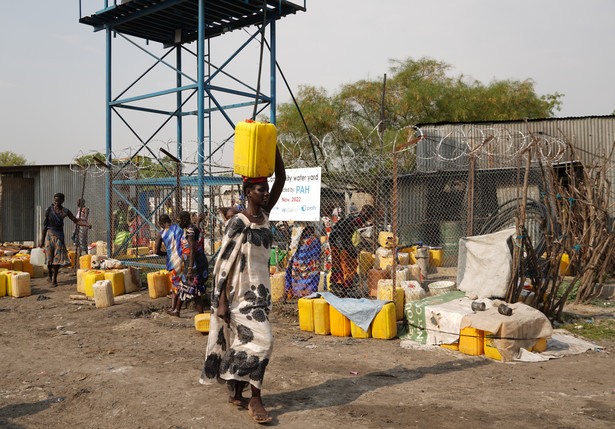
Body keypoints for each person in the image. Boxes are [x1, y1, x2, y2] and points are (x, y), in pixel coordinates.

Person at [201, 146, 285, 424]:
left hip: (260, 292)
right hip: (238, 297)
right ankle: (256, 399)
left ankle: (236, 388)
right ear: (248, 192)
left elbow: (281, 179)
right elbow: (223, 264)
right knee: (265, 341)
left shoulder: (265, 215)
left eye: (265, 190)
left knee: (246, 342)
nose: (264, 193)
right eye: (259, 189)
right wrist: (221, 301)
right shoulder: (238, 222)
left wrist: (272, 146)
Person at [39, 193, 91, 286]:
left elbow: (75, 220)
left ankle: (54, 279)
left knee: (57, 258)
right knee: (49, 257)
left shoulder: (65, 211)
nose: (56, 202)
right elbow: (45, 225)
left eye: (59, 201)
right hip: (49, 235)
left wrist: (86, 224)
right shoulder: (48, 210)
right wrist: (41, 240)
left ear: (62, 201)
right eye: (55, 200)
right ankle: (50, 275)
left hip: (59, 236)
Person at [328, 204, 375, 296]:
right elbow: (346, 233)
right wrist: (351, 248)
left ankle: (338, 285)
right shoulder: (358, 220)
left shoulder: (354, 216)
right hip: (340, 240)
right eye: (370, 215)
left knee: (338, 263)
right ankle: (345, 286)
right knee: (350, 263)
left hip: (333, 239)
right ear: (366, 214)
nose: (370, 217)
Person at [171, 210, 209, 316]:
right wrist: (197, 221)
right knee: (186, 287)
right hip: (198, 262)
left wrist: (190, 269)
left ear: (185, 220)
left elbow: (192, 250)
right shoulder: (193, 229)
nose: (178, 224)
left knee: (192, 288)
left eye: (179, 221)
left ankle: (201, 315)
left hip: (194, 264)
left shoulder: (189, 232)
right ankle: (177, 311)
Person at [154, 214, 184, 315]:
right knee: (181, 283)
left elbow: (156, 251)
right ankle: (176, 308)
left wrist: (167, 253)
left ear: (161, 224)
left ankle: (174, 309)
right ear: (170, 220)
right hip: (183, 259)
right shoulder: (179, 228)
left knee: (175, 285)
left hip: (172, 261)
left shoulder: (161, 233)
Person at [284, 224, 321, 298]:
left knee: (297, 267)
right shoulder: (315, 216)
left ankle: (296, 292)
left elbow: (295, 241)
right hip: (311, 241)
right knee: (311, 268)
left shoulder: (298, 222)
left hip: (302, 242)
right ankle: (310, 292)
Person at [72, 198, 90, 268]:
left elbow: (85, 218)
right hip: (78, 226)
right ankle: (80, 257)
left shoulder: (85, 209)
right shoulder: (79, 209)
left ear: (82, 202)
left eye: (78, 202)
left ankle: (86, 256)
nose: (77, 203)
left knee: (83, 241)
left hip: (83, 226)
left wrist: (78, 219)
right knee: (78, 242)